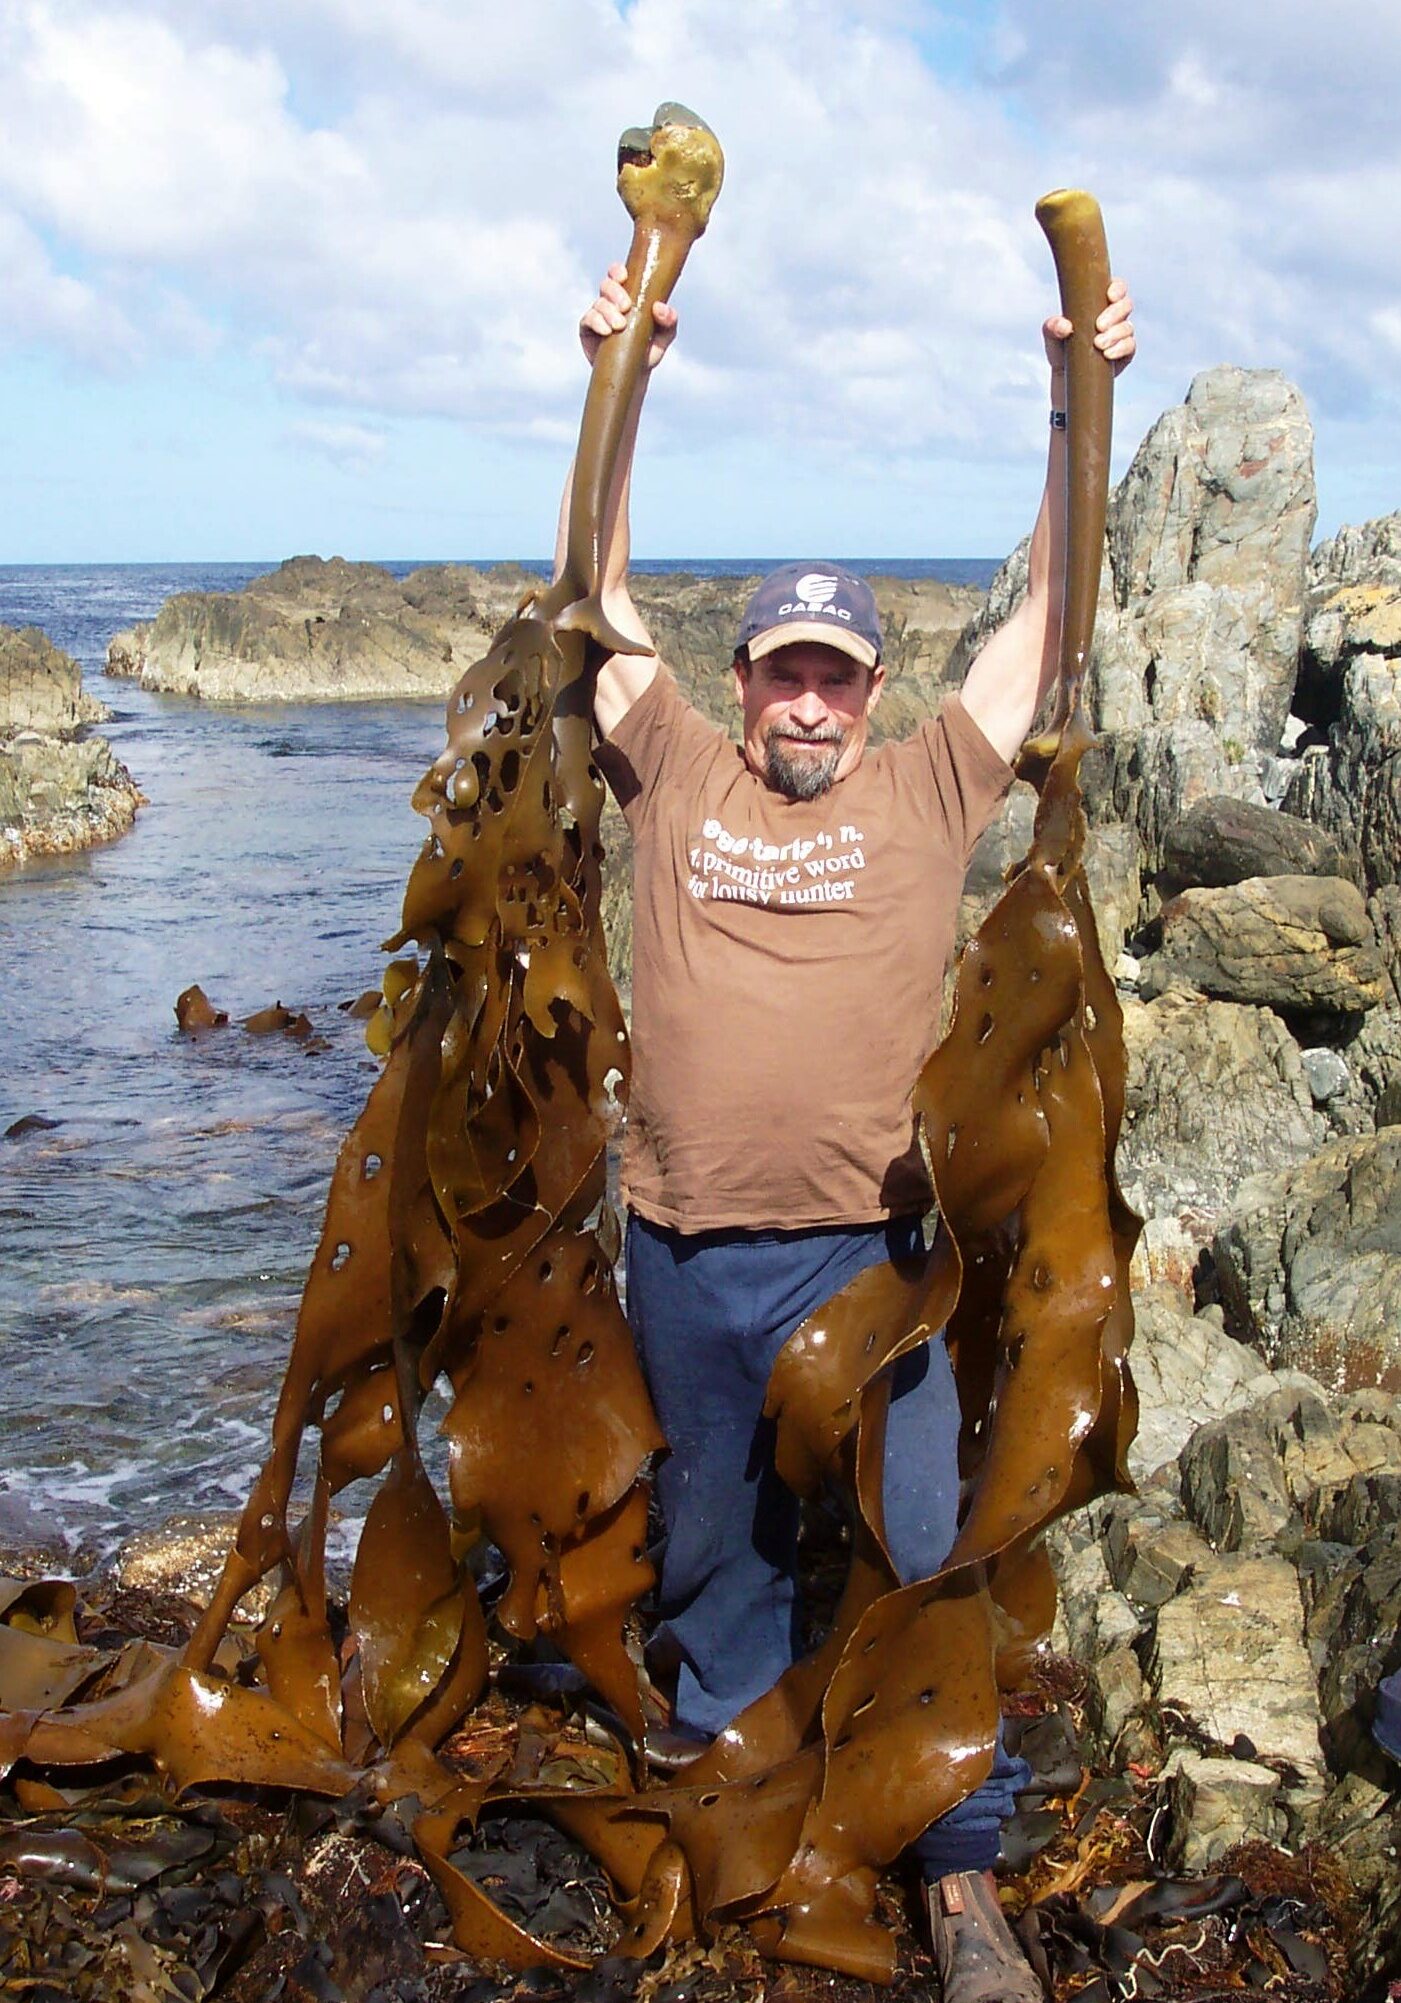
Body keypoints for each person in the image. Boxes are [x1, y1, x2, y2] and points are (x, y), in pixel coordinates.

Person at [563, 257, 1135, 2001]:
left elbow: (1050, 616)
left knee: (920, 1560)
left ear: (875, 691)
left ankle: (962, 1881)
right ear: (739, 685)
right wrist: (619, 370)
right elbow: (590, 603)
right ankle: (734, 1785)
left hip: (874, 1264)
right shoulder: (672, 770)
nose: (806, 704)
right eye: (780, 674)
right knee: (718, 1564)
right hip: (676, 1250)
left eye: (835, 676)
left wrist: (1069, 404)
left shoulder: (927, 788)